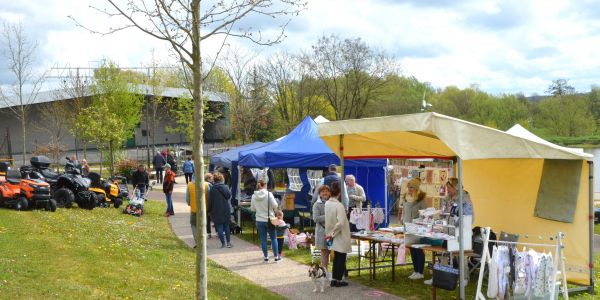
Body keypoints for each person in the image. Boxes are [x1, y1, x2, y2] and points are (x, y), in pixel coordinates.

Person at [325, 181, 351, 287]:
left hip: (332, 232)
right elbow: (340, 223)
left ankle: (334, 279)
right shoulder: (338, 205)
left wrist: (331, 233)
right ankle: (338, 279)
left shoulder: (327, 203)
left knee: (337, 257)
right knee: (341, 257)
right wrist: (333, 233)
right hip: (339, 234)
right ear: (340, 193)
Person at [401, 178, 428, 280]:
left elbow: (425, 214)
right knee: (412, 249)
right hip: (407, 227)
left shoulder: (421, 199)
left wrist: (418, 222)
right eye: (408, 187)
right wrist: (402, 219)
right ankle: (415, 270)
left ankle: (420, 272)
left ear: (416, 188)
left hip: (417, 228)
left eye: (411, 187)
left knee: (418, 250)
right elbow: (404, 211)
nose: (409, 189)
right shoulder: (405, 198)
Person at [250, 179, 280, 263]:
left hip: (259, 219)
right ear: (265, 185)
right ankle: (276, 257)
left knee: (263, 239)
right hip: (269, 219)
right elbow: (275, 205)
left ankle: (266, 257)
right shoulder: (269, 194)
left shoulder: (253, 196)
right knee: (273, 238)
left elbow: (252, 209)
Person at [187, 173, 214, 246]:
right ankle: (204, 243)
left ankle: (197, 242)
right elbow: (209, 198)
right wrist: (208, 207)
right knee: (203, 225)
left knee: (193, 225)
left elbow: (187, 199)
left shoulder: (189, 185)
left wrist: (191, 204)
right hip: (204, 209)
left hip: (194, 210)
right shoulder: (206, 185)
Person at [208, 172, 232, 248]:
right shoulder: (226, 187)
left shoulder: (212, 189)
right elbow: (228, 196)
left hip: (216, 210)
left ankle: (223, 244)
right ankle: (228, 243)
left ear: (214, 180)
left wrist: (209, 210)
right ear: (222, 179)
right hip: (225, 209)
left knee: (219, 227)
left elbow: (210, 201)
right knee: (226, 226)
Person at [312, 184, 331, 278]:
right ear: (319, 193)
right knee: (324, 252)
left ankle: (327, 271)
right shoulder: (316, 204)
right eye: (323, 191)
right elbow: (315, 219)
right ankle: (324, 272)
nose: (325, 193)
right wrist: (328, 215)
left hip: (332, 231)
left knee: (329, 252)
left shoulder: (332, 202)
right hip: (322, 232)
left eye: (327, 191)